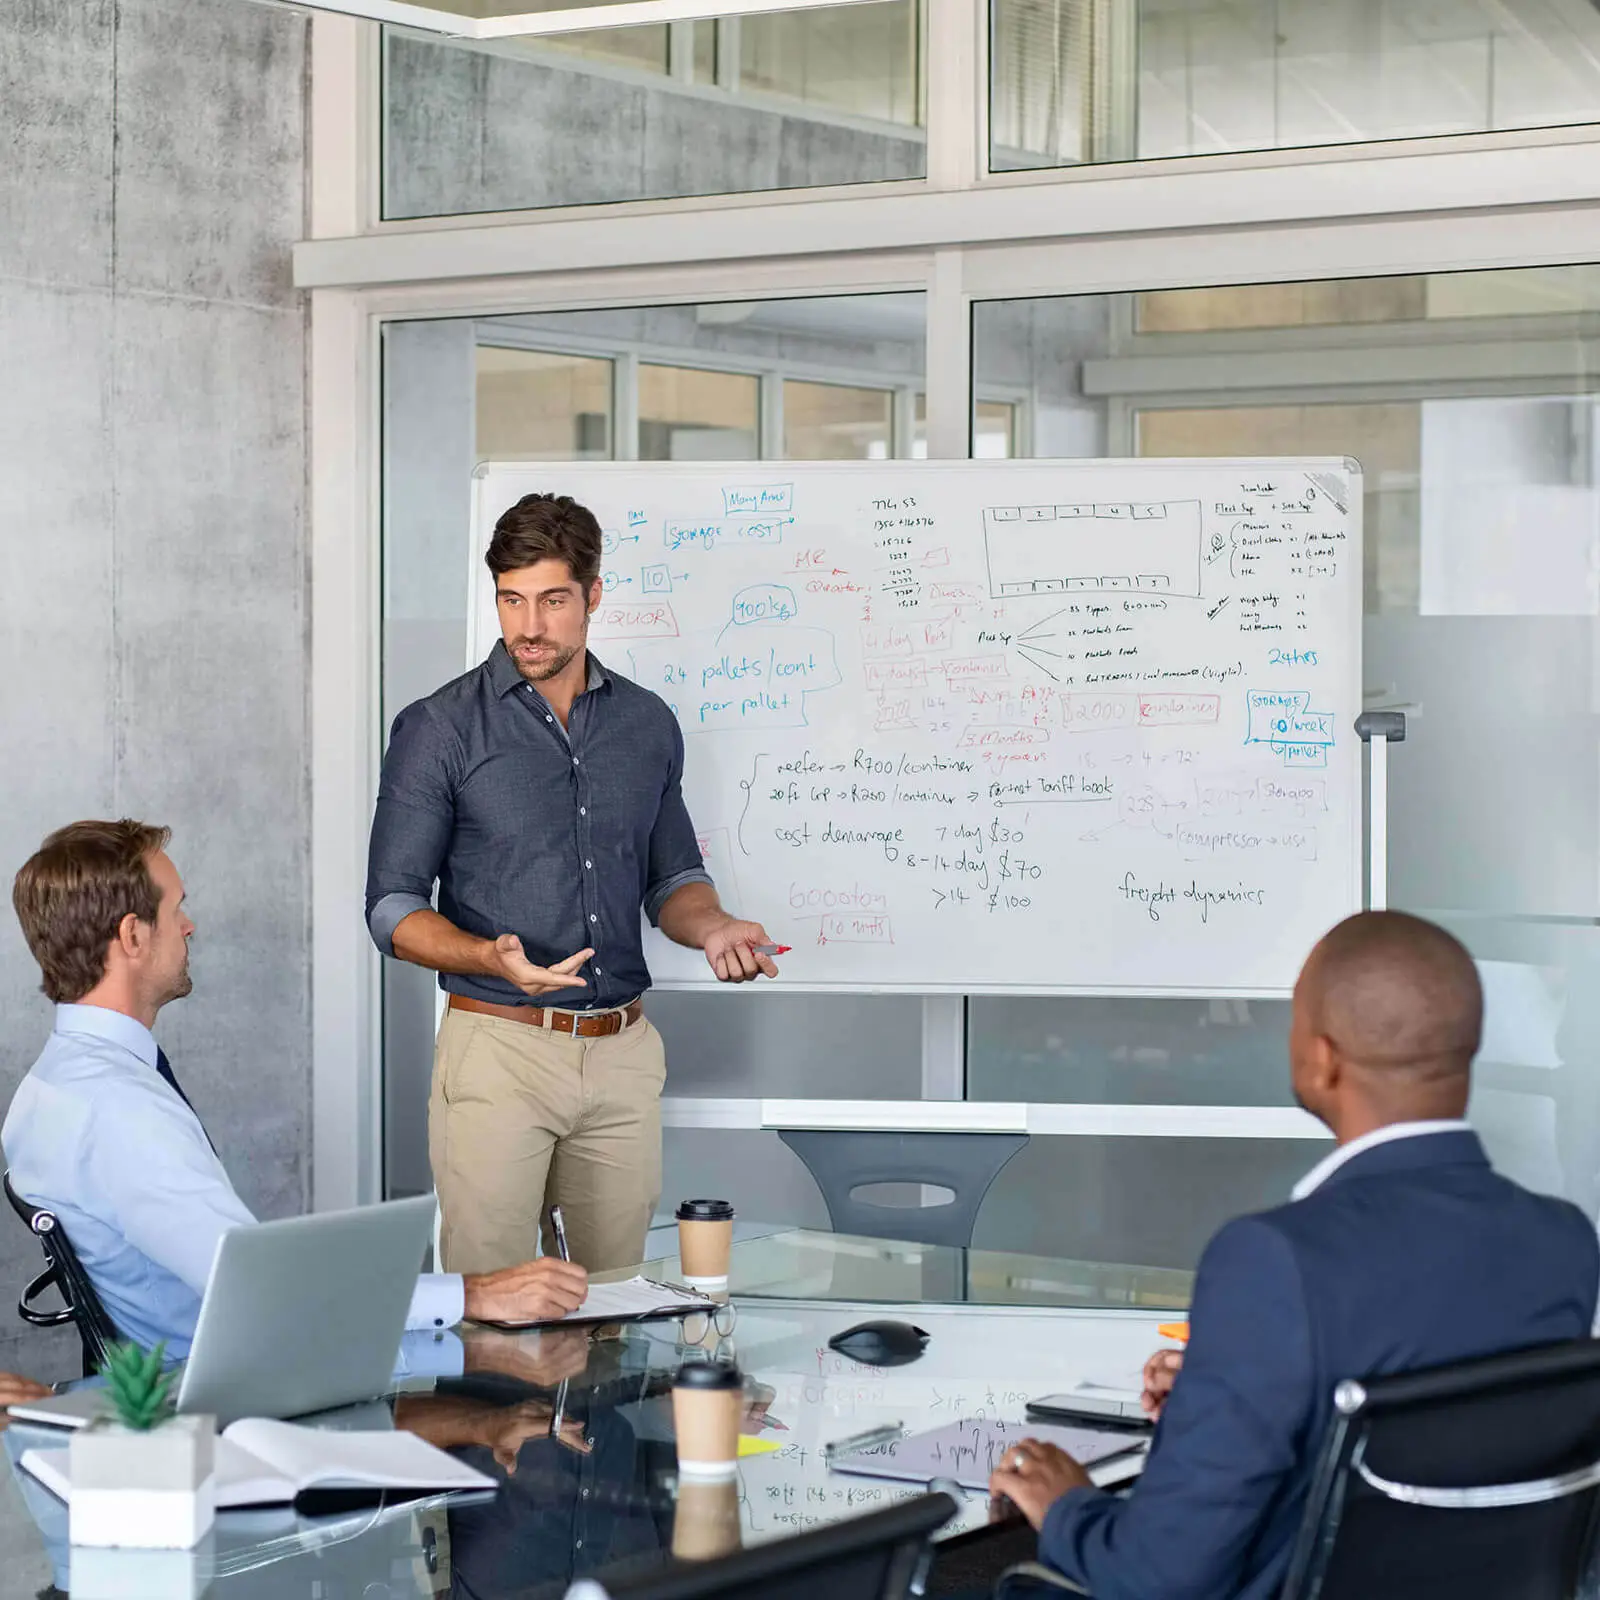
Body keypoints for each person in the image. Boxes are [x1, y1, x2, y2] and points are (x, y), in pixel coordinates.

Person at [987, 910, 1600, 1600]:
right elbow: (1442, 1433)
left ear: (1321, 1056)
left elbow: (1157, 1580)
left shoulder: (1273, 1259)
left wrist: (1068, 1502)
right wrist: (1229, 1388)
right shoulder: (1562, 1241)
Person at [365, 492, 778, 1278]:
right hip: (498, 1050)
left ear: (592, 595)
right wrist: (492, 957)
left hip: (621, 1055)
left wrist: (715, 925)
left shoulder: (647, 723)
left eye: (552, 601)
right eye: (511, 600)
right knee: (494, 1311)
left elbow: (673, 880)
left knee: (615, 1310)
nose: (528, 626)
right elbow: (392, 910)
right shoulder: (439, 728)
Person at [4, 820, 590, 1358]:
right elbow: (258, 1291)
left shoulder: (50, 1086)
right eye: (178, 908)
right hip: (236, 1385)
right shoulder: (121, 1113)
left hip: (215, 1364)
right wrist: (476, 1294)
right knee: (523, 1373)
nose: (189, 925)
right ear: (133, 936)